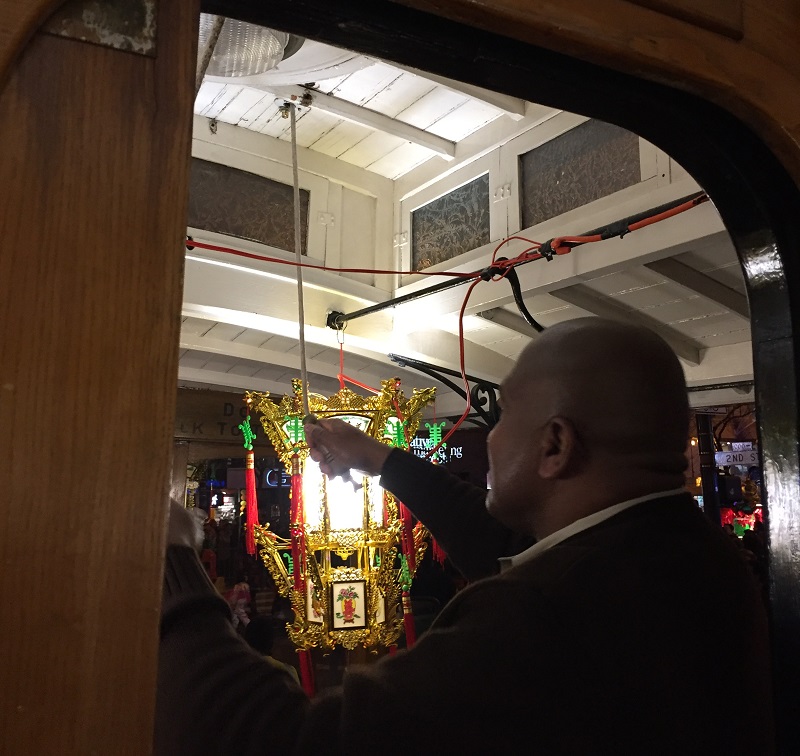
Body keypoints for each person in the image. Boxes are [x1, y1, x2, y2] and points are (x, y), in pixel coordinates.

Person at [156, 317, 774, 755]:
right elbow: (499, 547)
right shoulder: (697, 559)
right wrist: (381, 459)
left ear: (555, 445)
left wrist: (173, 557)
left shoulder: (545, 615)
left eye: (500, 416)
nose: (490, 438)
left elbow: (278, 742)